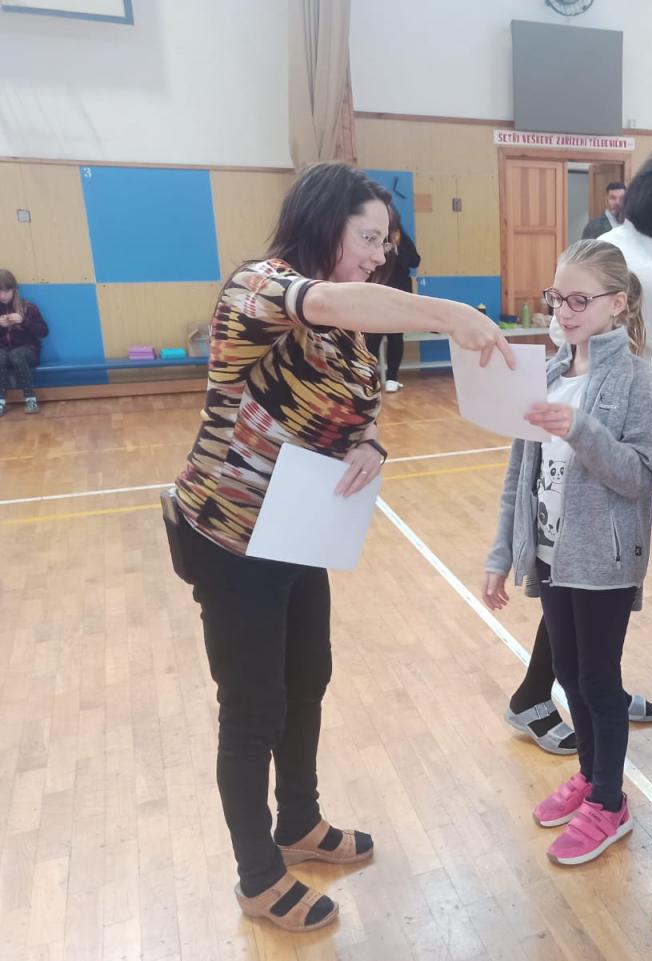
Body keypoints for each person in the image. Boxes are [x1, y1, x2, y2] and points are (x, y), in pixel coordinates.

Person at [170, 162, 513, 932]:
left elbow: (360, 405)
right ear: (324, 224)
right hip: (231, 535)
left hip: (297, 529)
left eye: (386, 243)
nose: (379, 255)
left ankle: (298, 822)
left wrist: (371, 442)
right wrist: (447, 312)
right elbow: (321, 300)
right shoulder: (260, 287)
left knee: (308, 677)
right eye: (369, 238)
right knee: (252, 706)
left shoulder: (350, 323)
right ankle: (258, 874)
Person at [504, 146, 652, 756]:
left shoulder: (603, 248)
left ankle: (593, 687)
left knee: (578, 586)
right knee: (580, 581)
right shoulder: (641, 275)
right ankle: (542, 696)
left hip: (585, 432)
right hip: (592, 439)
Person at [482, 239, 652, 866]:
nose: (563, 311)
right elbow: (519, 474)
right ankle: (590, 775)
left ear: (617, 303)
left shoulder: (638, 378)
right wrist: (502, 553)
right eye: (557, 297)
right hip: (551, 553)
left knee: (598, 682)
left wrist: (580, 430)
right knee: (566, 673)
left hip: (604, 562)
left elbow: (639, 476)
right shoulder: (549, 375)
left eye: (579, 300)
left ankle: (610, 803)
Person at [365, 206, 421, 392]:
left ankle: (392, 378)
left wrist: (396, 248)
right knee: (372, 338)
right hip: (377, 293)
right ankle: (369, 378)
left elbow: (415, 260)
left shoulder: (401, 237)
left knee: (396, 337)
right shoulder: (372, 236)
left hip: (399, 293)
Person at [0, 269, 48, 416]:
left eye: (6, 291)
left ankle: (30, 399)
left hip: (28, 352)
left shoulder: (27, 307)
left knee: (16, 354)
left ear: (14, 289)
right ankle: (1, 401)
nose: (2, 295)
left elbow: (43, 332)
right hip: (4, 354)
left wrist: (23, 321)